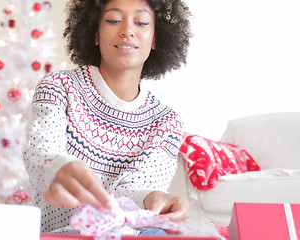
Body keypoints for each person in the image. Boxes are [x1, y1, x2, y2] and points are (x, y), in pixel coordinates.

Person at [23, 0, 192, 235]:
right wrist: (58, 168)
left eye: (141, 22)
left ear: (155, 39)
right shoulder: (60, 87)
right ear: (95, 34)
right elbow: (39, 152)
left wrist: (153, 199)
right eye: (113, 20)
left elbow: (134, 191)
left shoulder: (167, 123)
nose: (127, 30)